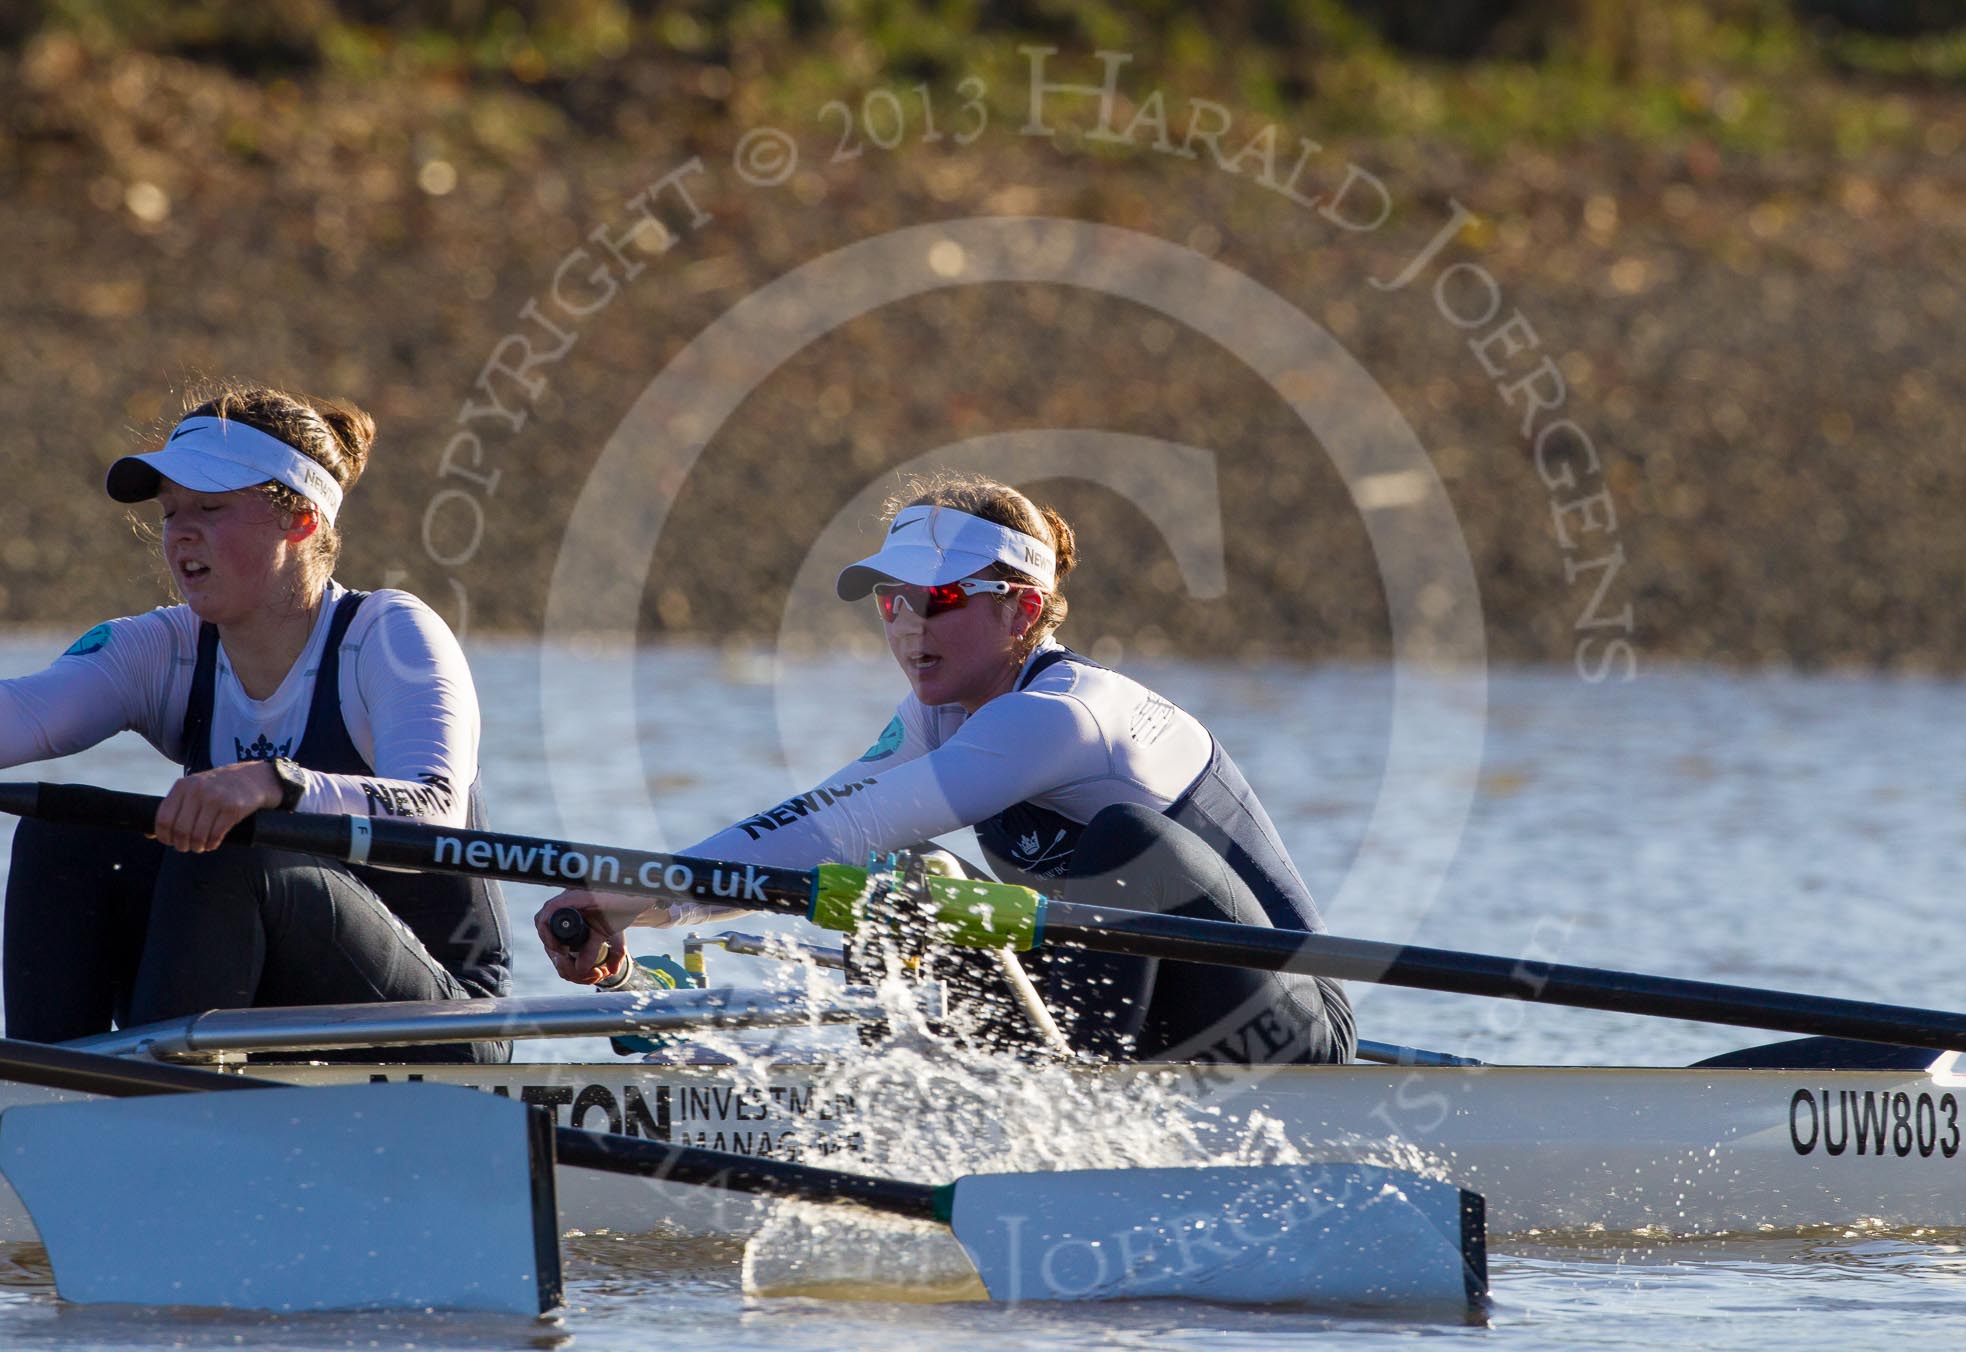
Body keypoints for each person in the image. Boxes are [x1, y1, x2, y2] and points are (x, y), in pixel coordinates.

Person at [539, 473, 1355, 1065]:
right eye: (892, 600)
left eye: (941, 600)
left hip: (1285, 1031)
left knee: (1124, 840)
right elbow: (817, 827)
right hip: (1144, 1014)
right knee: (908, 878)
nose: (908, 625)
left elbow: (843, 827)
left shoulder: (1063, 715)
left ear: (1022, 610)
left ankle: (1060, 1119)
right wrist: (635, 913)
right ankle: (918, 1097)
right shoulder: (936, 714)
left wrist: (624, 897)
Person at [0, 384, 510, 1063]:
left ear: (300, 519)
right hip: (258, 1008)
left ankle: (152, 1108)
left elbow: (435, 812)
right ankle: (54, 1099)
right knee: (61, 837)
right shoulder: (162, 649)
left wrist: (276, 785)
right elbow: (21, 714)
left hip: (438, 1022)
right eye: (172, 511)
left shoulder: (389, 635)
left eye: (210, 508)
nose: (180, 532)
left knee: (235, 854)